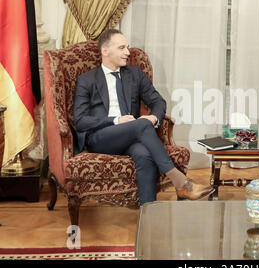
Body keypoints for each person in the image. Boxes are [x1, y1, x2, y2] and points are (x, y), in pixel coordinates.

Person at [73, 29, 214, 204]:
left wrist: (154, 118)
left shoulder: (135, 74)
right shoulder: (87, 80)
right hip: (101, 137)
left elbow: (158, 102)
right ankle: (180, 181)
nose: (128, 52)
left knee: (144, 154)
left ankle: (148, 213)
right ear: (105, 51)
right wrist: (116, 120)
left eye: (128, 47)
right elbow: (80, 121)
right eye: (122, 48)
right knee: (141, 125)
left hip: (131, 136)